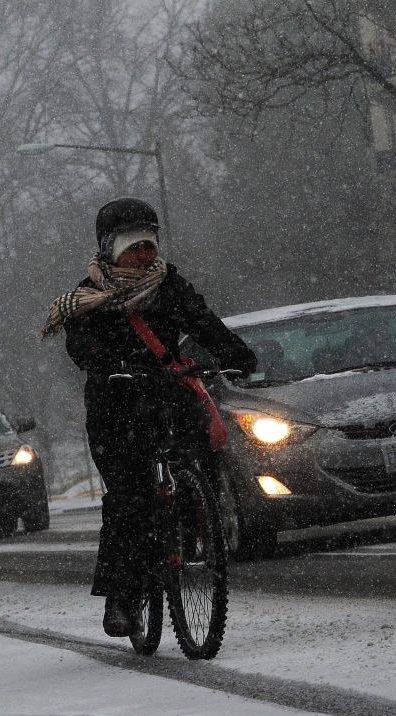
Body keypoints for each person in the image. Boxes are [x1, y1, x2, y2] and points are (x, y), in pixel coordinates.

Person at [41, 197, 257, 637]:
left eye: (149, 245)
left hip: (167, 393)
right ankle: (122, 596)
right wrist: (111, 366)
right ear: (109, 249)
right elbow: (82, 348)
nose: (144, 255)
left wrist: (238, 354)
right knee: (129, 498)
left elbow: (203, 322)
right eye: (132, 246)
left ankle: (195, 528)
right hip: (116, 407)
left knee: (203, 455)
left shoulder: (168, 284)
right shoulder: (88, 298)